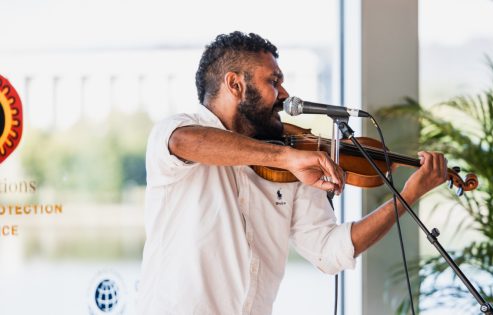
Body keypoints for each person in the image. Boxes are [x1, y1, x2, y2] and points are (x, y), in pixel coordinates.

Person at [137, 31, 447, 315]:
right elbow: (183, 142)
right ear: (235, 84)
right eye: (273, 81)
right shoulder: (177, 130)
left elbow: (329, 251)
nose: (284, 93)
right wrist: (287, 158)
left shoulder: (294, 156)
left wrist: (407, 196)